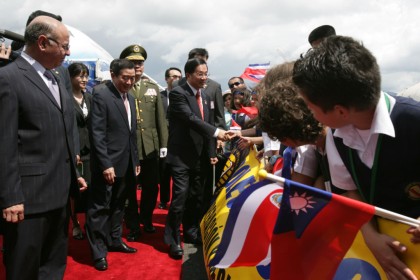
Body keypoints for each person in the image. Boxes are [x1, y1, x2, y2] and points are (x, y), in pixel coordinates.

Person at [293, 35, 420, 280]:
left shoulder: (413, 121)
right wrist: (371, 238)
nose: (311, 114)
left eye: (311, 107)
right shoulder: (336, 136)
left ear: (340, 111)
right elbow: (349, 193)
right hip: (383, 254)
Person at [0, 15, 87, 279]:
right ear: (42, 42)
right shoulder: (8, 78)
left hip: (59, 196)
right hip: (27, 202)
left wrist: (74, 174)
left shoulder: (57, 78)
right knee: (24, 269)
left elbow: (62, 129)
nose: (68, 52)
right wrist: (11, 197)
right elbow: (4, 143)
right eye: (64, 45)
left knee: (53, 267)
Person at [164, 58, 233, 259]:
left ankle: (191, 231)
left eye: (206, 73)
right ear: (189, 75)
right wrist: (217, 133)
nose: (204, 78)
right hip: (181, 157)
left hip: (201, 155)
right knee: (180, 197)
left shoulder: (207, 95)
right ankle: (173, 238)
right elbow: (191, 119)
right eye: (200, 74)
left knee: (197, 196)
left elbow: (209, 121)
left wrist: (212, 153)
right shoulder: (178, 93)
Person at [85, 58, 140, 271]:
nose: (128, 82)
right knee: (100, 206)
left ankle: (115, 239)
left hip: (126, 162)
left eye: (132, 78)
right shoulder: (101, 94)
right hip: (107, 164)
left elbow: (131, 133)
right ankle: (98, 251)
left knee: (119, 204)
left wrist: (135, 160)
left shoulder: (131, 96)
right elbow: (97, 133)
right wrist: (106, 164)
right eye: (124, 78)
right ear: (113, 74)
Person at [119, 44, 168, 240]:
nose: (137, 66)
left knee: (151, 186)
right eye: (133, 62)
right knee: (128, 186)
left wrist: (164, 145)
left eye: (140, 62)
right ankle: (132, 224)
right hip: (128, 147)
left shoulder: (152, 88)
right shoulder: (121, 86)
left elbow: (160, 120)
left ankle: (146, 219)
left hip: (150, 146)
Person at [68, 62, 92, 240]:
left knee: (89, 189)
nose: (84, 79)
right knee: (73, 192)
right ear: (70, 77)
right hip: (73, 151)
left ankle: (89, 223)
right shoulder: (65, 98)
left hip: (90, 151)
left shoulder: (89, 98)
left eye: (86, 75)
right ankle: (74, 223)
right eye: (80, 76)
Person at [159, 67, 182, 210]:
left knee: (178, 174)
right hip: (163, 140)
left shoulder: (184, 95)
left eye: (179, 76)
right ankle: (163, 199)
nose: (176, 79)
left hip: (179, 140)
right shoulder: (159, 96)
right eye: (173, 76)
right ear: (167, 79)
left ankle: (177, 201)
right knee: (164, 172)